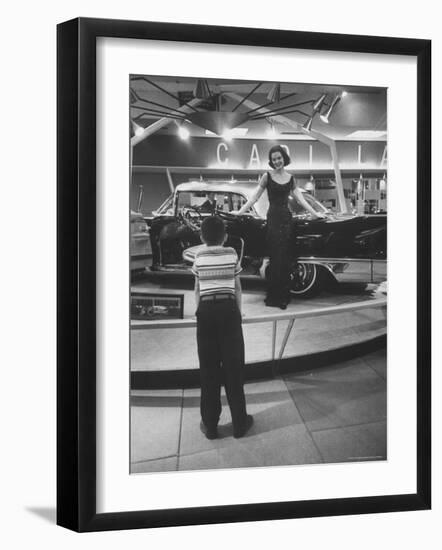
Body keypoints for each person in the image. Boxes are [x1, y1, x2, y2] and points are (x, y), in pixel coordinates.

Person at [234, 145, 325, 309]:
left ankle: (284, 296)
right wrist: (239, 213)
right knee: (275, 259)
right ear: (271, 161)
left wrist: (315, 213)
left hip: (286, 220)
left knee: (285, 259)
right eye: (274, 159)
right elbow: (254, 198)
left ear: (284, 158)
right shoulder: (266, 176)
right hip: (273, 220)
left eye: (279, 158)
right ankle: (274, 297)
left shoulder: (291, 178)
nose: (277, 161)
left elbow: (301, 200)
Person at [192, 216, 253, 440]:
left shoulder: (198, 255)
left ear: (201, 237)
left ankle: (210, 425)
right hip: (228, 310)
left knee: (208, 369)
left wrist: (199, 312)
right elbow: (237, 287)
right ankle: (239, 423)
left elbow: (197, 289)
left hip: (206, 312)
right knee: (233, 367)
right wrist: (238, 312)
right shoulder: (231, 254)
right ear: (225, 237)